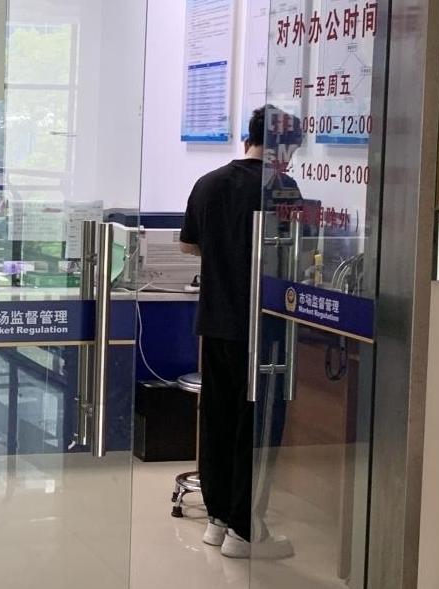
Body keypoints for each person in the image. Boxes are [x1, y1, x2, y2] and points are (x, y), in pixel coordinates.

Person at [178, 105, 300, 559]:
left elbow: (188, 244)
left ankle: (218, 520)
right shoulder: (282, 188)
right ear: (285, 148)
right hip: (262, 329)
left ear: (249, 138)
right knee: (257, 429)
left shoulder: (208, 183)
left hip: (216, 323)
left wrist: (223, 255)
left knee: (218, 420)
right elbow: (296, 251)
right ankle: (247, 531)